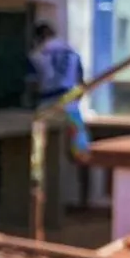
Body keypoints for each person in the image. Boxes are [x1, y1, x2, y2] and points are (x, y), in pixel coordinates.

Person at [27, 21, 91, 165]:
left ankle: (37, 162)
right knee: (77, 128)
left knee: (38, 126)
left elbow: (33, 83)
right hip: (69, 98)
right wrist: (76, 99)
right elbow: (81, 82)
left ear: (39, 37)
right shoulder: (72, 52)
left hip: (48, 99)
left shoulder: (36, 55)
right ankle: (82, 154)